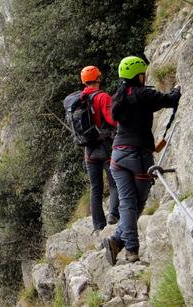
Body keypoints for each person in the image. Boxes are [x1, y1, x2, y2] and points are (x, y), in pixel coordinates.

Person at [102, 56, 181, 265]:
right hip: (138, 156)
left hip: (117, 156)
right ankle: (131, 250)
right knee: (135, 203)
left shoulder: (117, 97)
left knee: (128, 203)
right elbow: (170, 99)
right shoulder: (144, 94)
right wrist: (178, 88)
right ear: (139, 75)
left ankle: (117, 241)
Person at [79, 66, 120, 234]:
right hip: (106, 147)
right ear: (98, 78)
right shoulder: (103, 97)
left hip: (89, 150)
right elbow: (112, 120)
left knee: (95, 188)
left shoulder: (80, 99)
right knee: (114, 182)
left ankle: (98, 226)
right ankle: (113, 215)